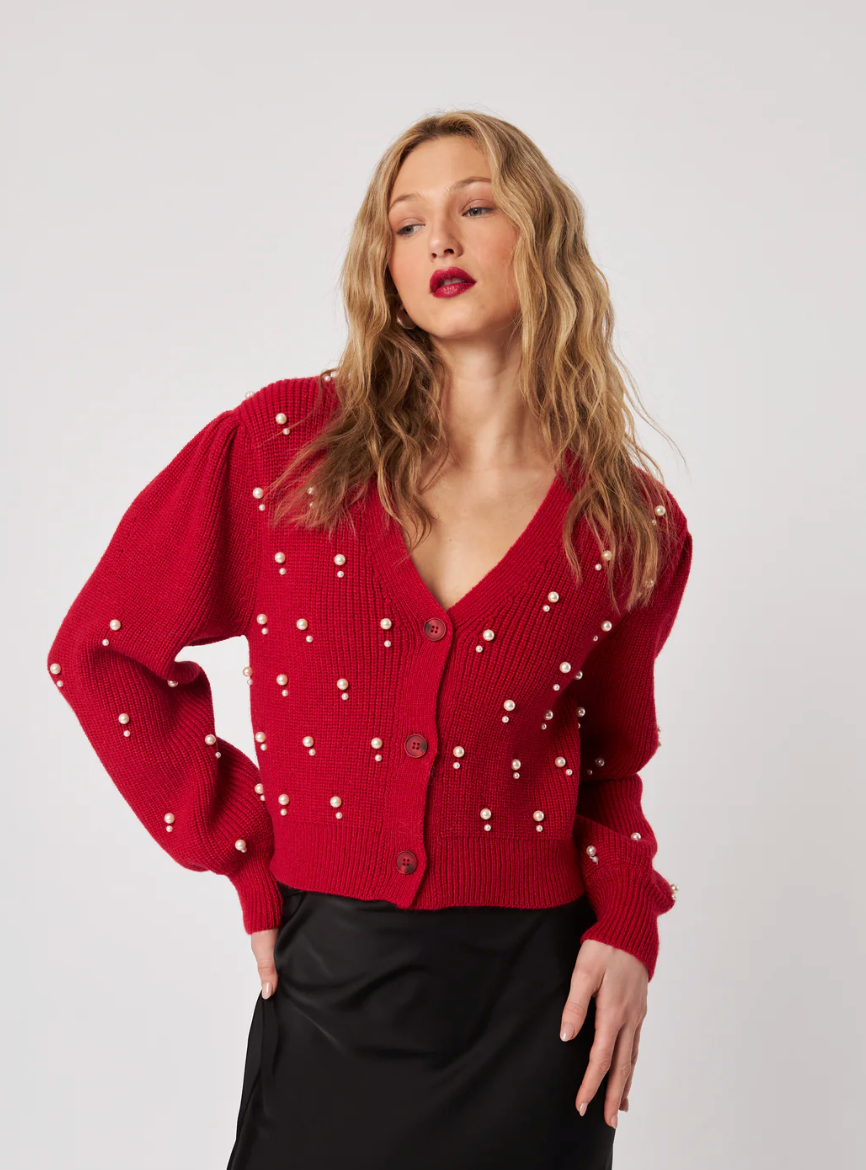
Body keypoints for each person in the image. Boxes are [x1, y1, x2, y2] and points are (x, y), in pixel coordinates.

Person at [46, 111, 694, 1170]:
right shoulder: (284, 448)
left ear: (539, 236)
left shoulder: (628, 522)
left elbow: (610, 768)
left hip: (538, 1012)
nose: (439, 240)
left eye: (474, 207)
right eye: (407, 224)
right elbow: (100, 651)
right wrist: (247, 848)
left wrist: (627, 924)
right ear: (383, 265)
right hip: (331, 985)